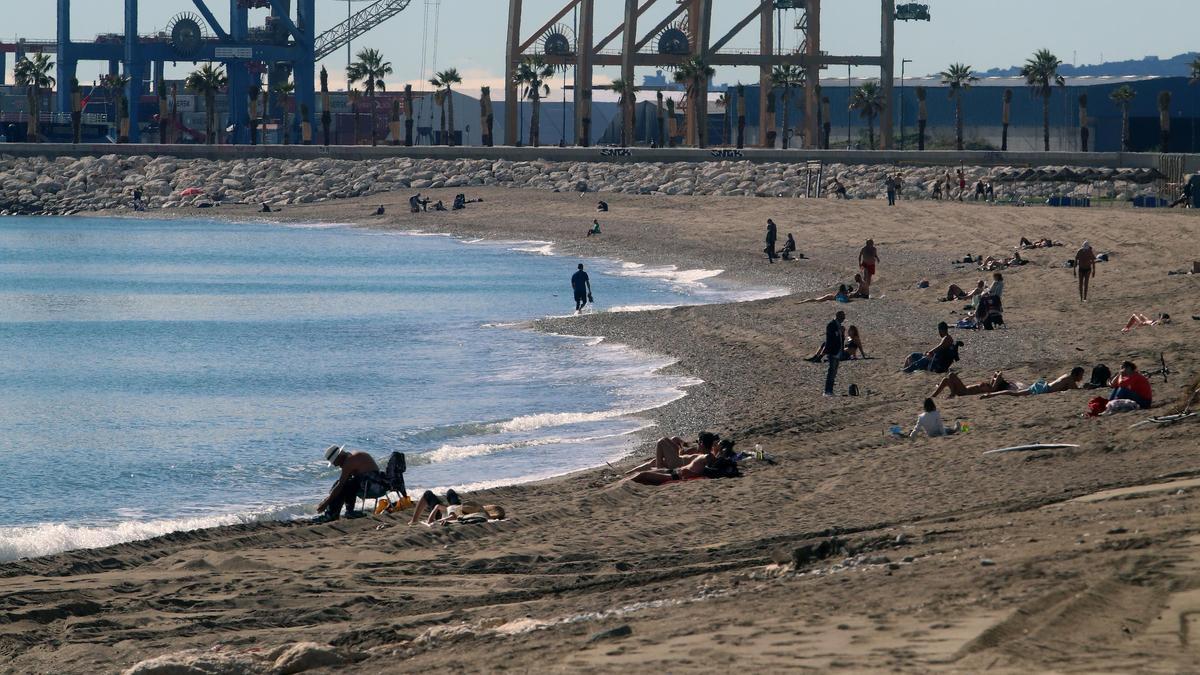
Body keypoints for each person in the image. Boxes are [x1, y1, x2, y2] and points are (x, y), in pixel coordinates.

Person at [316, 445, 382, 521]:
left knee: (344, 485)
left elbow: (341, 485)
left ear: (339, 457)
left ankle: (332, 514)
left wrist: (326, 503)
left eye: (334, 462)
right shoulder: (351, 457)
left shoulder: (349, 461)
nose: (335, 465)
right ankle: (343, 512)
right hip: (376, 483)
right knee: (345, 483)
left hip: (373, 486)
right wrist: (328, 499)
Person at [624, 433, 719, 475]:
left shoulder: (706, 455)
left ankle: (659, 469)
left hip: (677, 464)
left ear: (702, 444)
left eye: (698, 442)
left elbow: (713, 460)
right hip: (678, 460)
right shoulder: (702, 452)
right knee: (655, 460)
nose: (696, 444)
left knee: (661, 441)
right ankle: (628, 473)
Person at [981, 367, 1085, 399]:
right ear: (1076, 375)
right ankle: (991, 394)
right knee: (1016, 394)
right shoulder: (1070, 380)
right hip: (1043, 389)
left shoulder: (1067, 377)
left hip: (1044, 386)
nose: (1082, 377)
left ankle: (992, 394)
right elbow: (1076, 390)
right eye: (1081, 375)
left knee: (1017, 392)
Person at [930, 371, 1014, 398]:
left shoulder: (992, 388)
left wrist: (999, 378)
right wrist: (997, 376)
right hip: (963, 389)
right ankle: (933, 396)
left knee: (951, 374)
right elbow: (997, 374)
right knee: (945, 380)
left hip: (964, 391)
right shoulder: (991, 385)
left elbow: (999, 375)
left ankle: (952, 394)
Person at [824, 310, 846, 397]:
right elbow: (831, 338)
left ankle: (830, 390)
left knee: (834, 372)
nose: (843, 319)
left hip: (838, 352)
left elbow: (841, 339)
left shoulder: (839, 326)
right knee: (831, 372)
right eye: (842, 317)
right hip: (833, 352)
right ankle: (827, 391)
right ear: (837, 316)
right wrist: (839, 331)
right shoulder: (831, 325)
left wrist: (842, 333)